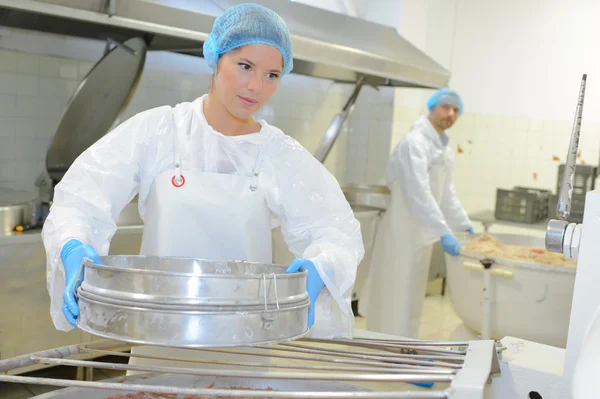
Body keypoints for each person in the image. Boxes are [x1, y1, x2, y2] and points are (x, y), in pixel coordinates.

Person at [43, 3, 364, 348]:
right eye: (245, 66)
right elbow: (80, 198)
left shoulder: (278, 154)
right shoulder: (159, 132)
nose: (256, 86)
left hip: (247, 340)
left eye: (272, 75)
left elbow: (337, 232)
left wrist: (321, 268)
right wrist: (73, 244)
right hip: (159, 337)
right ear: (215, 57)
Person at [359, 88, 473, 338]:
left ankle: (404, 351)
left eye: (455, 110)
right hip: (402, 232)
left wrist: (463, 225)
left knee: (410, 296)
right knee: (396, 296)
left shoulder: (442, 148)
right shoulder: (415, 143)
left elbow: (447, 195)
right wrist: (443, 231)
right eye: (445, 107)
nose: (450, 113)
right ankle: (388, 354)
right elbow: (418, 193)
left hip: (421, 235)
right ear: (432, 108)